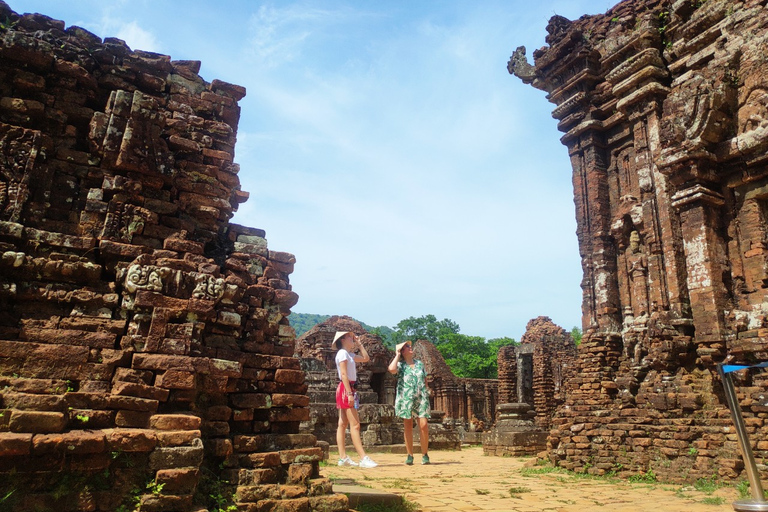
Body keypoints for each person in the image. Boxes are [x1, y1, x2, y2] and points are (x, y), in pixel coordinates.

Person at [334, 331, 378, 468]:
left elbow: (366, 358)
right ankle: (363, 457)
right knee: (355, 425)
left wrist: (359, 344)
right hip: (347, 388)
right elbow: (343, 374)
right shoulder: (342, 353)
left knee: (342, 424)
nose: (352, 338)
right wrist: (349, 393)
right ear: (342, 340)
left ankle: (343, 458)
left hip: (348, 388)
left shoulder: (349, 354)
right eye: (349, 337)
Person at [388, 340, 431, 465]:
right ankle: (410, 455)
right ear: (402, 351)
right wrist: (397, 354)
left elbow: (424, 379)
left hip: (421, 397)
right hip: (406, 398)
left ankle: (424, 454)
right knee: (408, 426)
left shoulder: (419, 364)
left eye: (410, 346)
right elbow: (391, 369)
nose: (410, 347)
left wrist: (427, 391)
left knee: (423, 425)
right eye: (407, 346)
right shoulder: (400, 366)